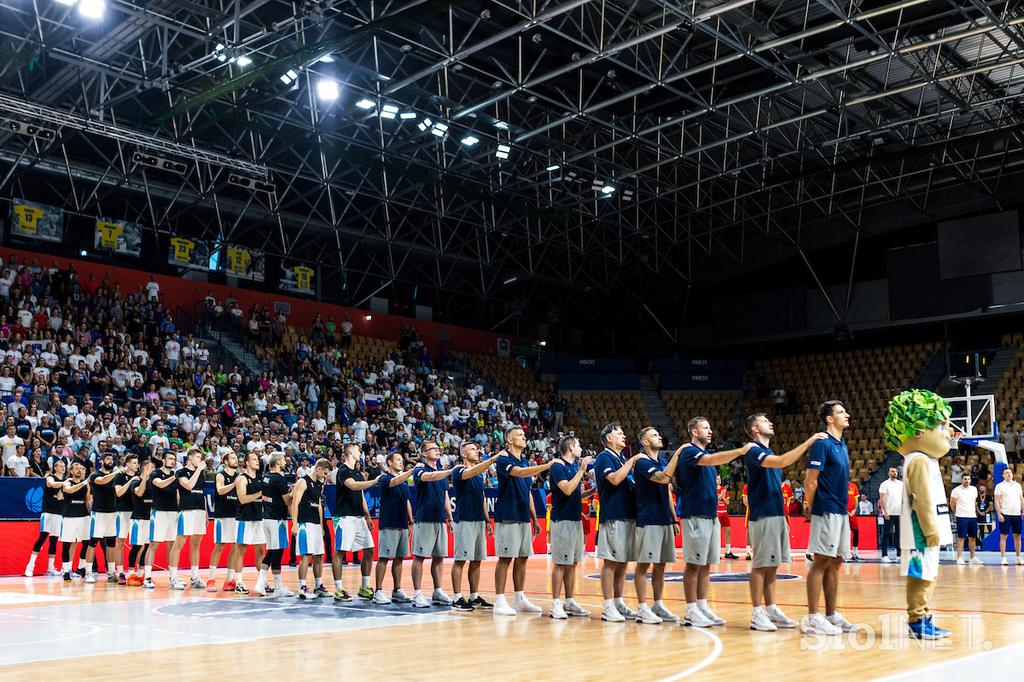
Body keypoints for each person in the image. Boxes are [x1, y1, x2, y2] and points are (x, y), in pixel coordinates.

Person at [745, 413, 826, 631]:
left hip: (776, 514)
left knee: (772, 565)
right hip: (762, 515)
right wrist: (809, 442)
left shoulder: (766, 450)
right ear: (754, 429)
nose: (770, 422)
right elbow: (783, 461)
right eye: (764, 421)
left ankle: (770, 608)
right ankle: (756, 612)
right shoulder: (753, 450)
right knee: (760, 565)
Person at [676, 418, 751, 627]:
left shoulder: (707, 457)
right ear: (693, 431)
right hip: (695, 515)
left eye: (710, 427)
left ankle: (702, 605)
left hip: (710, 516)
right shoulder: (690, 451)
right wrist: (740, 451)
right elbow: (713, 460)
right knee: (693, 565)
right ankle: (691, 609)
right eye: (706, 427)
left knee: (707, 565)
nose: (710, 431)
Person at [802, 401, 855, 635]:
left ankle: (831, 614)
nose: (847, 415)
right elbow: (810, 480)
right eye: (841, 412)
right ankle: (813, 617)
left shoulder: (842, 445)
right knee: (821, 560)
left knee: (836, 562)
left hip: (841, 510)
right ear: (829, 419)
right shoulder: (822, 444)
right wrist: (813, 508)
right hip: (826, 509)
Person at [492, 426, 551, 616]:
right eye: (519, 434)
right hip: (507, 514)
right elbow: (521, 473)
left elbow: (528, 493)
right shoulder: (503, 459)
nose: (524, 437)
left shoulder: (524, 460)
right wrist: (547, 465)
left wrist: (534, 519)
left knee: (523, 557)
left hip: (523, 516)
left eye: (524, 435)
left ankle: (519, 598)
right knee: (505, 558)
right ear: (509, 439)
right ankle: (499, 600)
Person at [594, 422, 642, 622]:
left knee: (623, 562)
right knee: (611, 562)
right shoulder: (604, 457)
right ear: (608, 438)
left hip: (628, 515)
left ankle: (618, 601)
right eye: (619, 433)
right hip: (614, 515)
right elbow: (613, 479)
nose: (623, 435)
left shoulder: (620, 458)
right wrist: (632, 462)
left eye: (623, 432)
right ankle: (607, 605)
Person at [547, 436, 594, 619]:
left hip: (575, 521)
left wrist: (590, 492)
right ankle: (555, 603)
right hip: (562, 521)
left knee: (573, 564)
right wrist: (582, 470)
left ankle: (569, 600)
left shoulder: (572, 468)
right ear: (571, 447)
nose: (581, 449)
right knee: (560, 564)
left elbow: (574, 492)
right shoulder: (558, 466)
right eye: (579, 445)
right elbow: (566, 489)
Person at [410, 440, 456, 608]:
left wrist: (449, 518)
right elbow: (429, 477)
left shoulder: (442, 473)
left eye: (438, 448)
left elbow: (445, 496)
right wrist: (450, 471)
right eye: (433, 449)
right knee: (420, 557)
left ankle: (437, 591)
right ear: (424, 453)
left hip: (440, 520)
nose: (437, 451)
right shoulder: (419, 469)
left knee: (439, 557)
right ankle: (417, 593)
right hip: (425, 518)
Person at [450, 442, 495, 611]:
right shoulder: (458, 470)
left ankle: (474, 596)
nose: (477, 451)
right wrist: (492, 460)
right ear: (463, 454)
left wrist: (487, 520)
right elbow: (472, 471)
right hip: (464, 520)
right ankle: (456, 598)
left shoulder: (478, 476)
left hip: (478, 520)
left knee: (476, 561)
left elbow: (482, 498)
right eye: (473, 449)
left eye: (477, 449)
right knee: (460, 560)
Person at [332, 443, 381, 601]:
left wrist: (367, 515)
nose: (360, 452)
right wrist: (374, 482)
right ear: (351, 452)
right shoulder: (343, 470)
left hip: (359, 517)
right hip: (345, 517)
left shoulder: (358, 472)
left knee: (370, 549)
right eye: (358, 450)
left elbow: (360, 495)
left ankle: (364, 586)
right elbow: (353, 486)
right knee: (340, 551)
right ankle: (339, 589)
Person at [372, 451, 415, 604]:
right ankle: (378, 591)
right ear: (389, 463)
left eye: (402, 460)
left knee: (399, 558)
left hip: (402, 524)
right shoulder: (385, 478)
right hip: (389, 523)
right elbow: (394, 482)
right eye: (398, 460)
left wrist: (410, 522)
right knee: (384, 558)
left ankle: (397, 590)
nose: (401, 462)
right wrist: (411, 471)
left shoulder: (404, 483)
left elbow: (407, 501)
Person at [291, 458, 332, 600]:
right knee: (306, 556)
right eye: (325, 473)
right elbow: (294, 503)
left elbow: (319, 505)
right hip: (304, 523)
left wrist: (321, 526)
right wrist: (295, 524)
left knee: (319, 556)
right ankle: (302, 587)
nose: (326, 476)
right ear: (318, 469)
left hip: (315, 524)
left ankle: (318, 586)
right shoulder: (303, 481)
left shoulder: (319, 484)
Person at [254, 452, 292, 596]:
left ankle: (260, 583)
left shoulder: (265, 477)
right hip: (277, 519)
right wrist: (293, 492)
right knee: (277, 552)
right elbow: (287, 501)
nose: (284, 462)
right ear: (277, 462)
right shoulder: (279, 479)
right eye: (282, 460)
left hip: (267, 518)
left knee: (270, 551)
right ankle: (278, 587)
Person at [144, 450, 182, 589]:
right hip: (158, 512)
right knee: (153, 545)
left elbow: (178, 494)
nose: (173, 461)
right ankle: (147, 578)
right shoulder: (155, 473)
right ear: (164, 460)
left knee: (172, 546)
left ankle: (173, 578)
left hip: (173, 512)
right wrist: (175, 477)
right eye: (170, 458)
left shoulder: (174, 475)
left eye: (174, 459)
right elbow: (160, 484)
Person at [173, 447, 209, 590]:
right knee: (179, 544)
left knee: (196, 545)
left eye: (201, 458)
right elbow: (188, 486)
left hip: (199, 511)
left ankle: (195, 578)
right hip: (186, 511)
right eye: (198, 457)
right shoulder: (181, 472)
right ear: (190, 458)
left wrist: (205, 512)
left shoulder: (201, 474)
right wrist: (199, 470)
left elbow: (202, 493)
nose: (200, 460)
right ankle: (174, 578)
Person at [233, 451, 267, 594]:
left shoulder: (260, 478)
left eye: (257, 459)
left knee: (260, 551)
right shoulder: (242, 478)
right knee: (241, 550)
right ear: (247, 463)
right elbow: (242, 499)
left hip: (259, 518)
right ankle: (238, 582)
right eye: (253, 459)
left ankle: (262, 581)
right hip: (244, 518)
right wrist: (259, 494)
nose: (257, 461)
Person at [26, 459, 65, 577]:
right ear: (55, 468)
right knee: (42, 538)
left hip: (59, 513)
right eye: (60, 466)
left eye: (64, 466)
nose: (63, 467)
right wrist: (65, 483)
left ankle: (50, 568)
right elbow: (50, 484)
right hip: (47, 512)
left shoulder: (65, 481)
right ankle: (30, 566)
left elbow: (62, 496)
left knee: (53, 541)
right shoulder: (50, 477)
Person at [208, 452, 240, 591]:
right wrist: (234, 483)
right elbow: (220, 490)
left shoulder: (239, 477)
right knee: (220, 546)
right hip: (222, 516)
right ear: (225, 462)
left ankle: (229, 579)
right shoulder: (221, 475)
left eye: (236, 458)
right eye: (232, 458)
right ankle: (211, 579)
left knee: (235, 547)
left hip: (236, 515)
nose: (236, 460)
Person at [88, 452, 120, 583]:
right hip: (98, 513)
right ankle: (88, 572)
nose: (110, 461)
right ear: (101, 461)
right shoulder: (95, 474)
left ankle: (111, 572)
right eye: (107, 458)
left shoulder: (115, 476)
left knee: (111, 544)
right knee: (93, 543)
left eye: (112, 459)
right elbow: (102, 481)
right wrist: (116, 473)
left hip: (112, 513)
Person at [112, 454, 142, 584]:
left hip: (136, 512)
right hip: (122, 512)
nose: (136, 465)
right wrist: (131, 480)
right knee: (120, 543)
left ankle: (138, 572)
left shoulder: (140, 477)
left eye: (137, 463)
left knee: (138, 543)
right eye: (134, 463)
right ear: (128, 463)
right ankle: (120, 572)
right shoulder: (120, 476)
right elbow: (119, 493)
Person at [60, 461, 91, 581]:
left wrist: (90, 513)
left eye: (80, 468)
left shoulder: (86, 485)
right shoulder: (67, 482)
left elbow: (87, 500)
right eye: (76, 468)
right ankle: (66, 570)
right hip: (69, 517)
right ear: (71, 471)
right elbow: (70, 490)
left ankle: (81, 567)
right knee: (67, 544)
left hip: (83, 517)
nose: (79, 470)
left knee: (86, 543)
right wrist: (84, 482)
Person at [126, 459, 155, 585]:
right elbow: (139, 492)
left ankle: (142, 573)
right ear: (143, 469)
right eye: (150, 468)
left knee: (147, 547)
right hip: (138, 518)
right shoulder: (136, 482)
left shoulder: (154, 483)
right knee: (136, 547)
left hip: (150, 519)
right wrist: (145, 478)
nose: (153, 470)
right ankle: (131, 574)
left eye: (153, 468)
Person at [950, 472, 982, 565]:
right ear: (961, 480)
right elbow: (952, 503)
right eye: (965, 479)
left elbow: (974, 502)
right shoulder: (956, 490)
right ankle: (959, 558)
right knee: (961, 538)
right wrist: (956, 512)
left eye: (968, 479)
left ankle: (972, 558)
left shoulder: (974, 489)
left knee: (973, 538)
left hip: (972, 516)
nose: (967, 481)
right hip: (961, 516)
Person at [994, 467, 1024, 565]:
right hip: (1005, 514)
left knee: (1018, 536)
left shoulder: (1017, 485)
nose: (1009, 474)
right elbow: (997, 501)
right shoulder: (999, 486)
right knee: (1004, 536)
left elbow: (1021, 499)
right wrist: (999, 514)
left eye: (1010, 472)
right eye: (1006, 473)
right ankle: (1003, 558)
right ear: (1003, 475)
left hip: (1016, 514)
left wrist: (1023, 511)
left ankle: (1018, 557)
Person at [878, 467, 903, 562]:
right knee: (886, 534)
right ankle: (884, 555)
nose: (895, 473)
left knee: (899, 534)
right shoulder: (884, 484)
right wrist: (885, 511)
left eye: (896, 471)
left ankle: (899, 554)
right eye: (892, 471)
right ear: (889, 473)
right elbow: (882, 498)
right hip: (889, 512)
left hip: (899, 512)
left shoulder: (901, 484)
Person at [717, 476, 737, 559]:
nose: (719, 480)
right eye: (717, 479)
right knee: (717, 534)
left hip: (724, 513)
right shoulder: (711, 488)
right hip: (717, 513)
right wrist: (721, 495)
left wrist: (724, 497)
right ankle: (716, 553)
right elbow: (715, 501)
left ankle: (728, 552)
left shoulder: (723, 489)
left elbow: (728, 503)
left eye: (720, 479)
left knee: (728, 531)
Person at [847, 479, 861, 561]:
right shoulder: (838, 484)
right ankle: (846, 552)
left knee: (856, 531)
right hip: (843, 513)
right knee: (844, 534)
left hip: (852, 513)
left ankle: (855, 551)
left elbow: (856, 500)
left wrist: (854, 510)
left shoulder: (853, 486)